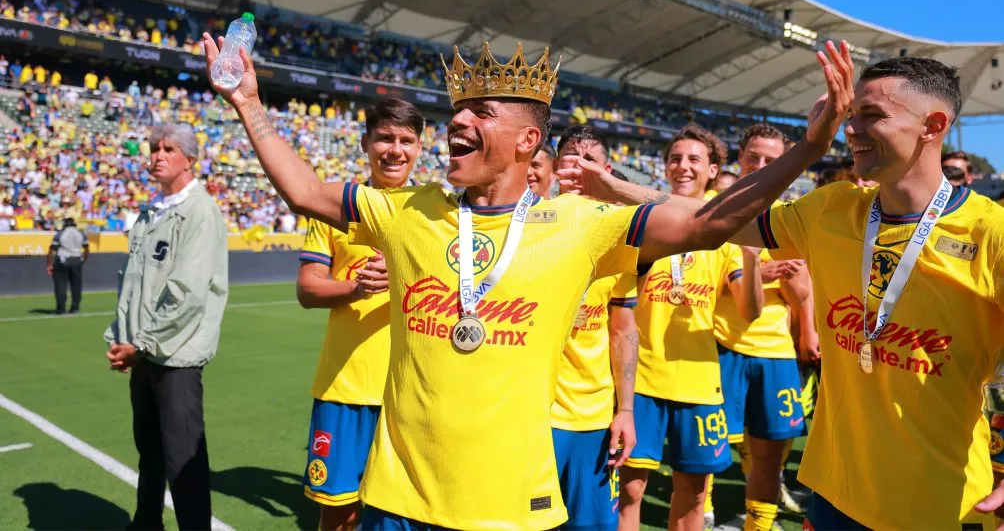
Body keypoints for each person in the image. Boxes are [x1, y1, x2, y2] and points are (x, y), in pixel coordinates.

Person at [202, 32, 853, 529]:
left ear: (527, 139)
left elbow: (709, 223)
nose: (458, 121)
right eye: (457, 110)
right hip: (396, 501)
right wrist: (250, 102)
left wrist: (808, 150)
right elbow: (307, 191)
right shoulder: (408, 211)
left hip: (515, 504)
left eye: (480, 111)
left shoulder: (581, 223)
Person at [570, 53, 1004, 530]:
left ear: (933, 125)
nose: (852, 129)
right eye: (851, 114)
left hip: (942, 503)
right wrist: (616, 189)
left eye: (873, 115)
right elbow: (710, 217)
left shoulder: (990, 234)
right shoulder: (831, 209)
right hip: (836, 491)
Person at [615, 123, 764, 531]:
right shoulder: (638, 222)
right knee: (629, 491)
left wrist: (751, 258)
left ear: (713, 171)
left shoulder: (727, 233)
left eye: (694, 159)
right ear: (664, 168)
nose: (683, 166)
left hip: (699, 382)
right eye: (675, 158)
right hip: (640, 380)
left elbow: (750, 312)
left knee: (695, 494)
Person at [296, 98, 422, 530]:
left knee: (401, 514)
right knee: (339, 512)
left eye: (406, 140)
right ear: (366, 143)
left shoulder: (435, 212)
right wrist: (356, 287)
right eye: (385, 137)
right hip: (345, 386)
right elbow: (308, 288)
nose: (395, 149)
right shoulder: (335, 207)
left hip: (411, 392)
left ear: (420, 148)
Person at [103, 123, 229, 531]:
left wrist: (139, 343)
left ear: (189, 159)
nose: (157, 155)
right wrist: (121, 340)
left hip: (175, 357)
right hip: (143, 353)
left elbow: (186, 293)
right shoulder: (150, 212)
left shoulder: (200, 212)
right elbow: (132, 287)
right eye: (155, 148)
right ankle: (146, 523)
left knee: (184, 461)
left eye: (168, 149)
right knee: (150, 452)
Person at [712, 124, 819, 529]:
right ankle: (703, 512)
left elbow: (802, 285)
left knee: (772, 448)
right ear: (740, 156)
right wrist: (757, 271)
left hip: (774, 348)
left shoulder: (792, 215)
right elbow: (703, 276)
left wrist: (806, 329)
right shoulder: (715, 206)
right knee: (714, 448)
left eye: (770, 160)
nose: (759, 165)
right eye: (753, 157)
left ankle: (759, 523)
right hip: (722, 340)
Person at [551, 125, 639, 530]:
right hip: (530, 415)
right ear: (555, 167)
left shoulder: (620, 238)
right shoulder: (526, 226)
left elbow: (622, 330)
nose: (579, 168)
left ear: (605, 170)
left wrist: (625, 410)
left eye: (590, 161)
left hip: (592, 417)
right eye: (571, 158)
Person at [47, 217, 89, 314]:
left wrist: (49, 264)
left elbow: (51, 250)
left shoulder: (59, 234)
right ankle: (75, 307)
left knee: (61, 285)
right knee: (76, 286)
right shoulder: (81, 234)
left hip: (62, 260)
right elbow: (86, 249)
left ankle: (61, 308)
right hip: (77, 259)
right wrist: (83, 260)